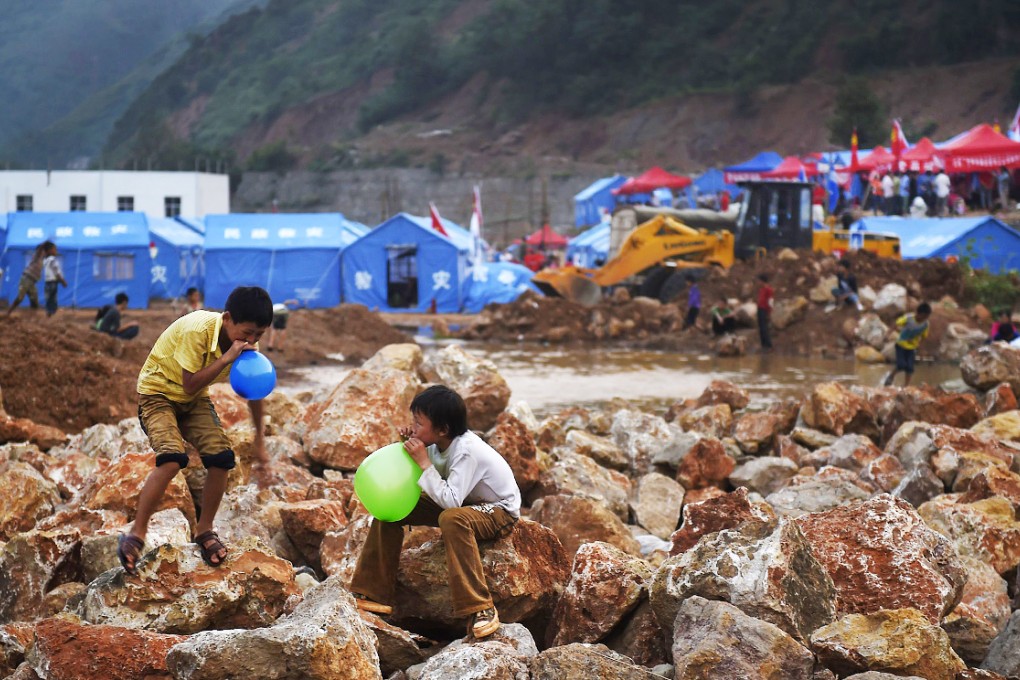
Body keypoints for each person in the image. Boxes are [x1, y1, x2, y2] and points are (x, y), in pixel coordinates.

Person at [117, 286, 273, 576]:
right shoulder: (197, 331)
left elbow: (255, 393)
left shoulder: (248, 346)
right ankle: (136, 535)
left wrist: (260, 442)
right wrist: (227, 358)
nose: (251, 341)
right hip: (158, 394)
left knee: (222, 457)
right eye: (247, 333)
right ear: (227, 318)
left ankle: (205, 531)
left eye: (258, 336)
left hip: (194, 400)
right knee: (173, 457)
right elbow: (189, 383)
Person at [350, 385, 521, 639]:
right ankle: (371, 592)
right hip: (465, 504)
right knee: (391, 511)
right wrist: (406, 445)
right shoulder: (434, 443)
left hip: (498, 510)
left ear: (442, 429)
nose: (414, 428)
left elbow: (451, 502)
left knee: (452, 518)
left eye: (419, 424)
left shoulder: (467, 450)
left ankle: (480, 608)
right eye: (413, 422)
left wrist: (423, 462)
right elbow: (419, 477)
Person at [883, 302, 932, 387]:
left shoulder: (925, 324)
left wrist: (920, 348)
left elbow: (924, 337)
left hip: (912, 347)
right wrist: (888, 334)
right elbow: (895, 324)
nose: (925, 319)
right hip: (901, 345)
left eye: (927, 317)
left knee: (910, 368)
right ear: (919, 313)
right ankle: (891, 376)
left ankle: (906, 386)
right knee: (901, 365)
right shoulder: (909, 318)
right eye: (924, 316)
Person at [5, 240, 50, 317]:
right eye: (43, 251)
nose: (44, 253)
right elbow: (40, 249)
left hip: (32, 282)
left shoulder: (41, 260)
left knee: (34, 300)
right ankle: (8, 313)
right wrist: (45, 243)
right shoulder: (37, 256)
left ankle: (32, 316)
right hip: (26, 279)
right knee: (20, 297)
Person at [42, 242, 68, 317]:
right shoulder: (52, 260)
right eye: (54, 249)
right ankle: (51, 312)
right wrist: (63, 281)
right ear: (49, 251)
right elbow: (56, 271)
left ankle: (49, 312)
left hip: (47, 282)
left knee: (49, 298)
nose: (56, 251)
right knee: (52, 298)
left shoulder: (45, 260)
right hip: (53, 282)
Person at [756, 273, 774, 351]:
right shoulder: (761, 289)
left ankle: (768, 345)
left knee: (764, 328)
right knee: (761, 328)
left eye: (759, 281)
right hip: (760, 309)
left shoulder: (769, 289)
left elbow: (770, 301)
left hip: (764, 310)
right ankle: (763, 345)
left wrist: (769, 311)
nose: (758, 282)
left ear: (763, 281)